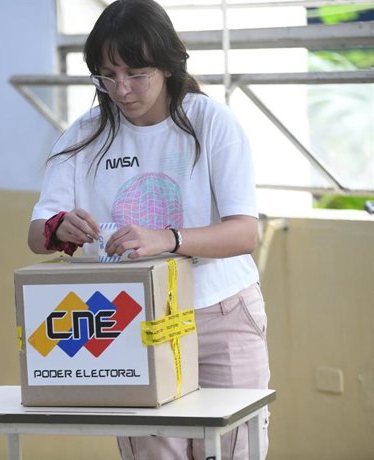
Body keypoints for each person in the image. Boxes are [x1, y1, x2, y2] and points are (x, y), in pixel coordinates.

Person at [26, 0, 270, 458]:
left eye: (136, 74)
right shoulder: (83, 136)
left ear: (168, 65)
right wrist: (60, 228)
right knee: (156, 452)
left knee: (235, 448)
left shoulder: (210, 123)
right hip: (131, 319)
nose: (121, 89)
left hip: (221, 314)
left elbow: (244, 233)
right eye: (107, 74)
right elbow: (38, 233)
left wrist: (170, 239)